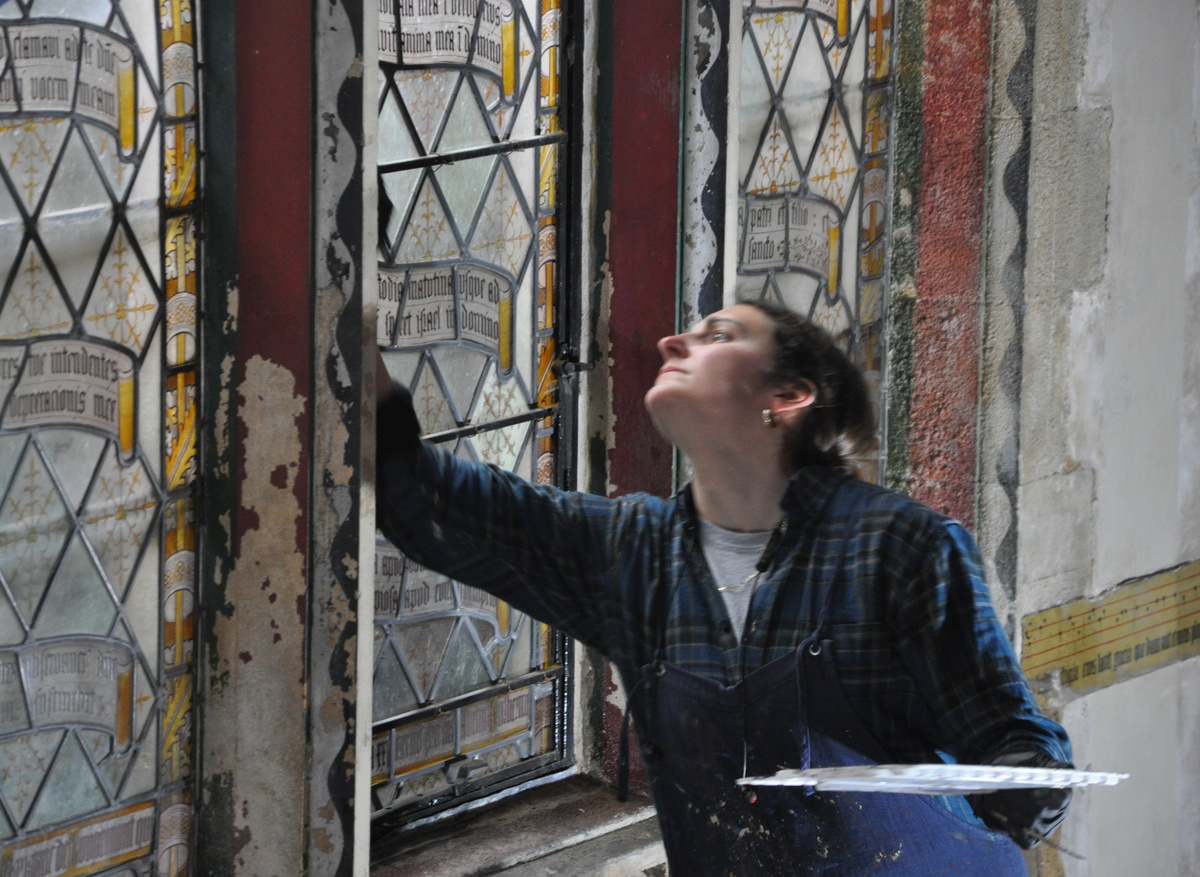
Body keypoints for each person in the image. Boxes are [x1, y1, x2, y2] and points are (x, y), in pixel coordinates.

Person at [375, 300, 1073, 875]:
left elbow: (1023, 745)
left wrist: (1015, 783)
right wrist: (355, 304)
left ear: (787, 396)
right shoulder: (633, 554)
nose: (670, 337)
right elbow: (422, 494)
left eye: (718, 334)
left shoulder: (899, 549)